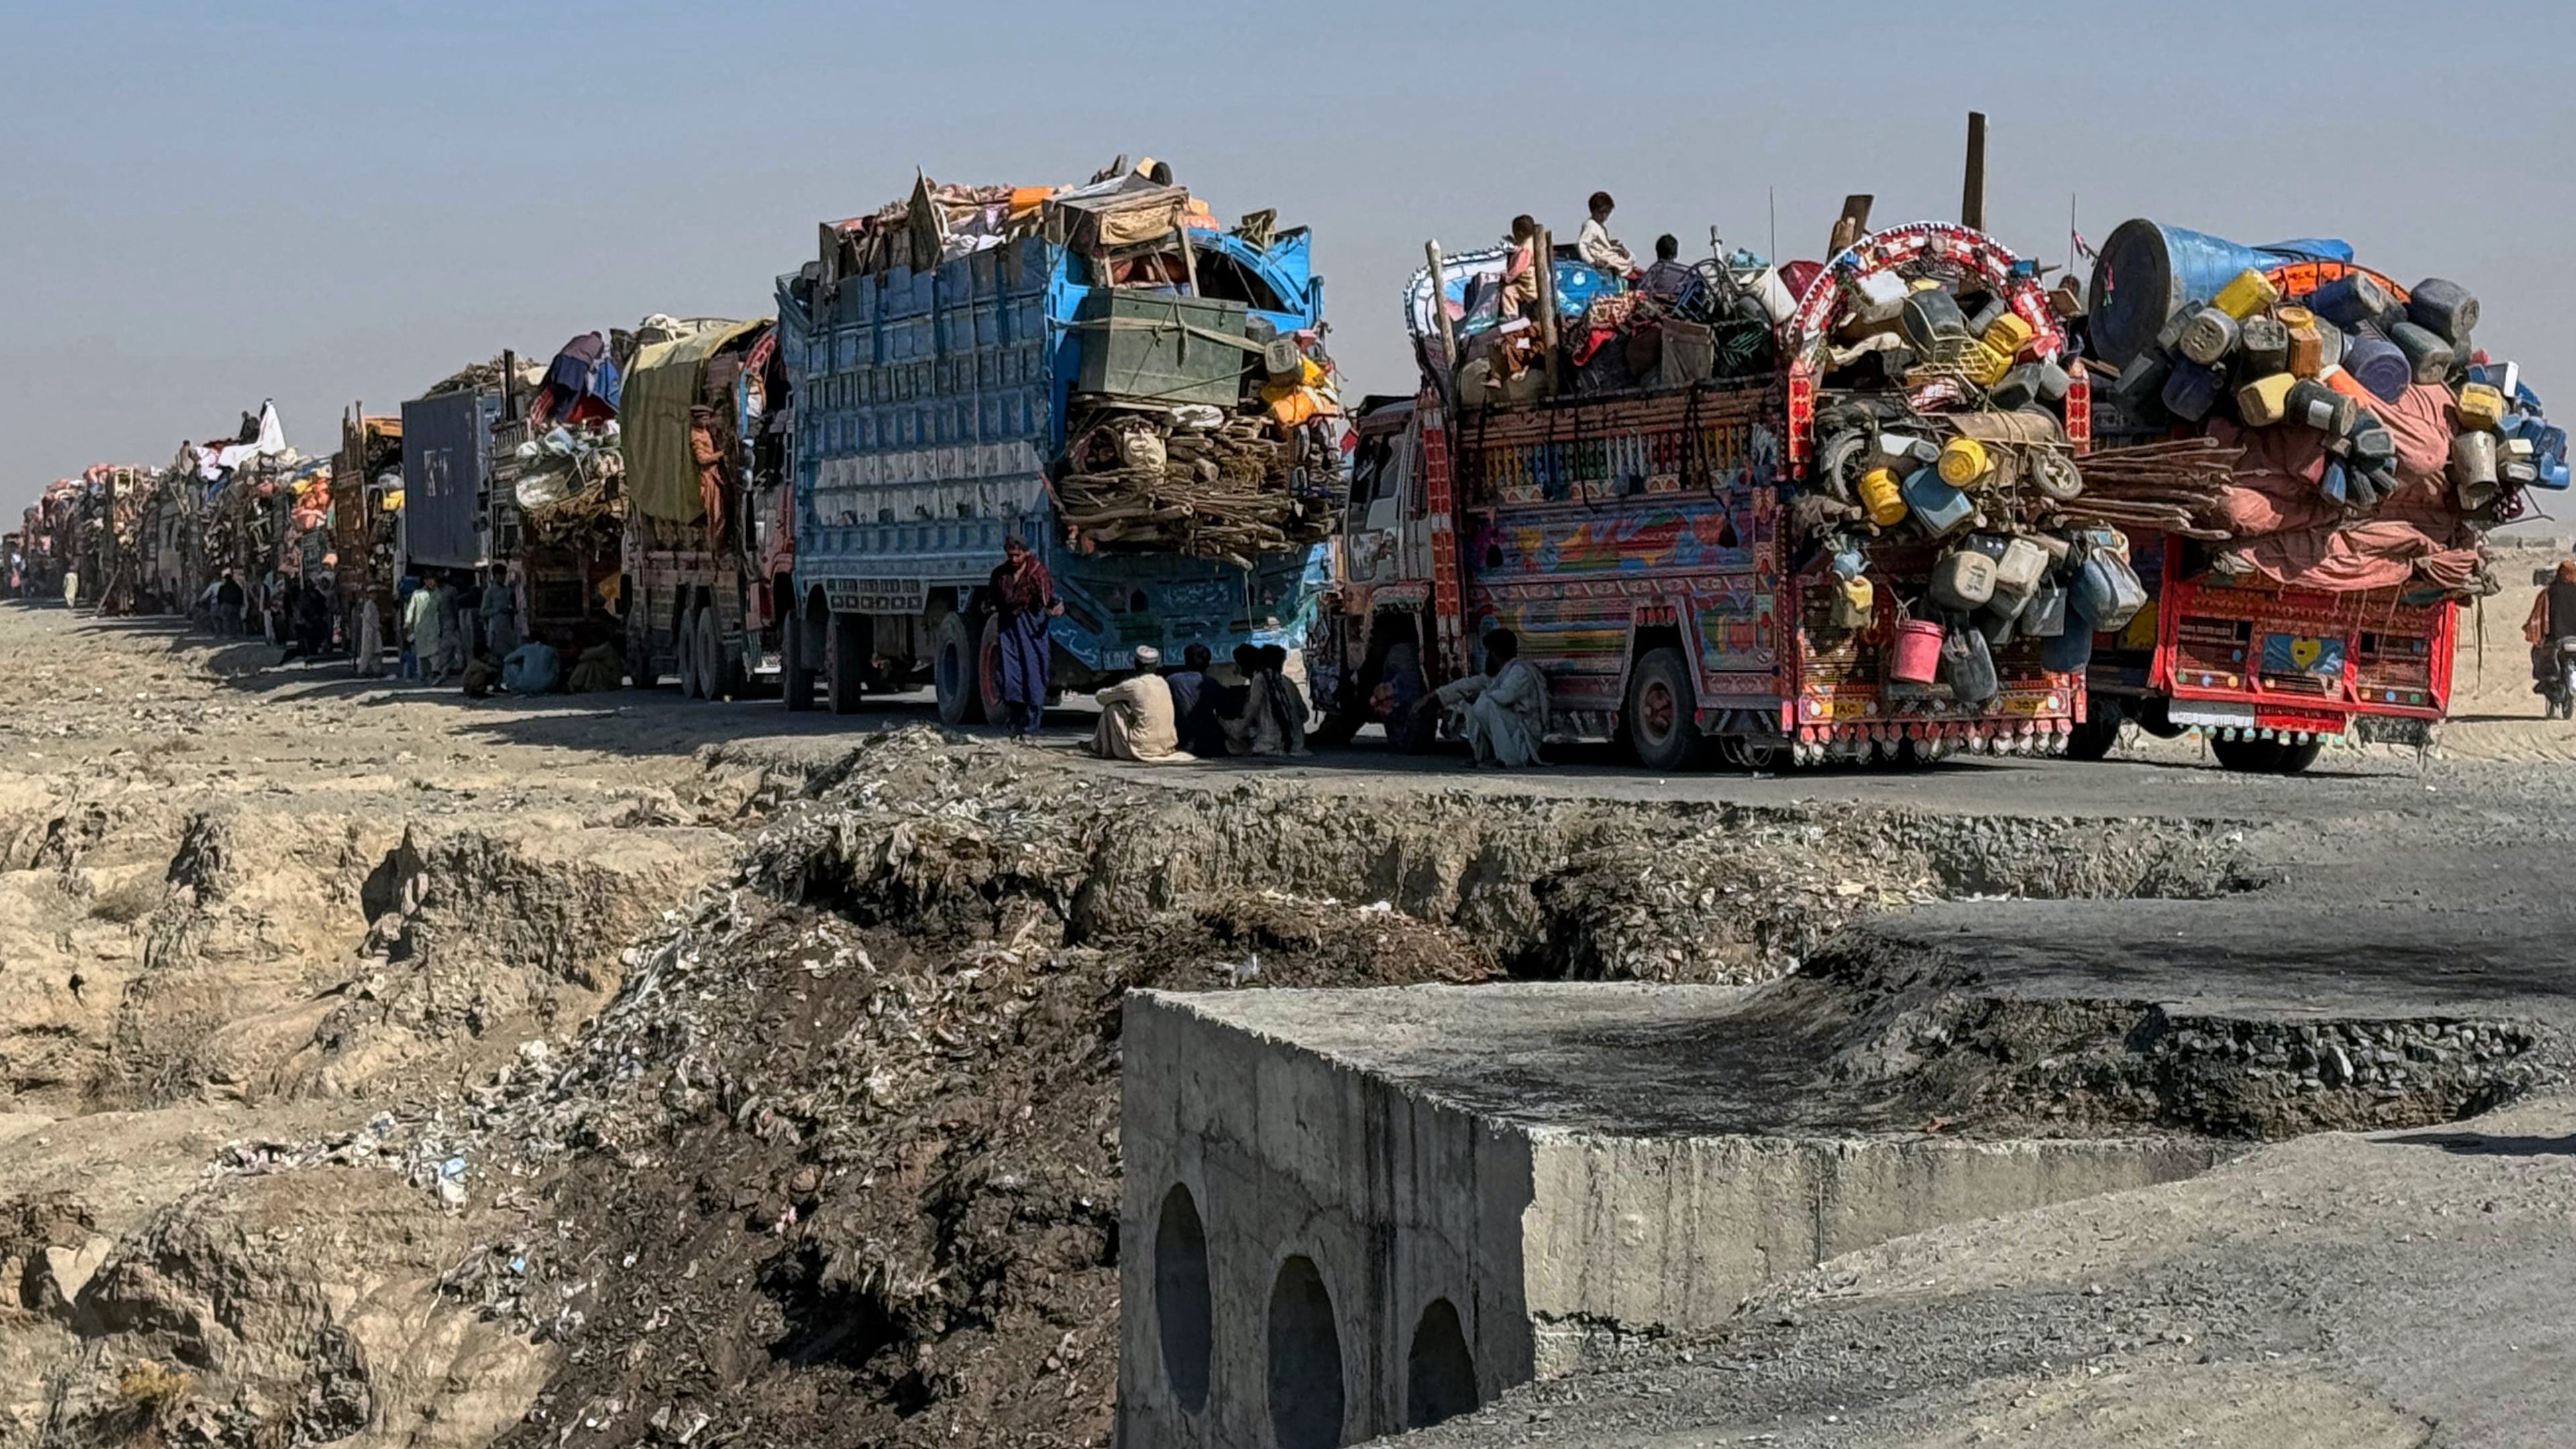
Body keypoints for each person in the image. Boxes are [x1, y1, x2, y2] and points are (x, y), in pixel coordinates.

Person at [1425, 629, 1548, 768]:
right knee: (1471, 704)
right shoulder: (1498, 674)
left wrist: (1480, 697)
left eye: (1489, 652)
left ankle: (1508, 760)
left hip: (1524, 739)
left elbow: (1505, 697)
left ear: (1495, 653)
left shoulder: (1520, 671)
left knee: (1485, 702)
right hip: (1514, 732)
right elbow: (1467, 685)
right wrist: (1434, 696)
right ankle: (1482, 757)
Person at [984, 535, 1060, 738]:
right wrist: (989, 606)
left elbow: (1049, 599)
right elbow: (991, 599)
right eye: (1010, 555)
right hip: (1009, 628)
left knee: (1033, 675)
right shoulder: (1000, 574)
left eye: (1017, 555)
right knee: (1009, 676)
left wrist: (1054, 607)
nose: (1014, 559)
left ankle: (1030, 727)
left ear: (1026, 553)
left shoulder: (1037, 572)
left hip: (1032, 628)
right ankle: (1014, 723)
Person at [1091, 646, 1193, 763]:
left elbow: (1101, 698)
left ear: (1136, 664)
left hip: (1142, 747)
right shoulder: (1163, 683)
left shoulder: (1134, 685)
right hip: (1166, 747)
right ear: (1156, 665)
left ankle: (1098, 746)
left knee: (1112, 707)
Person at [2526, 559, 2576, 716]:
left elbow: (2540, 617)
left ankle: (2547, 686)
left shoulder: (2549, 592)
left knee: (2539, 654)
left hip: (2556, 639)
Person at [1576, 191, 1638, 278]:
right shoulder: (1591, 225)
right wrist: (1592, 262)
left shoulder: (1601, 227)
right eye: (1602, 212)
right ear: (1593, 211)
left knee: (1627, 256)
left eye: (1607, 213)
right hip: (1601, 257)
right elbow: (1582, 245)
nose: (1604, 216)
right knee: (1626, 261)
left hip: (1605, 254)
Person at [403, 571, 447, 686]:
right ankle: (423, 675)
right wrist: (408, 622)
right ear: (425, 581)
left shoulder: (439, 595)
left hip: (434, 627)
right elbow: (411, 610)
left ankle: (435, 672)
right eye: (430, 580)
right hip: (420, 628)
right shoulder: (417, 595)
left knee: (435, 652)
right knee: (422, 655)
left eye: (434, 580)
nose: (433, 582)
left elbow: (442, 611)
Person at [1498, 214, 1544, 322]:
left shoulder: (1525, 249)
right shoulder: (1535, 242)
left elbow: (1518, 268)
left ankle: (1511, 317)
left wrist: (1507, 278)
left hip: (1530, 286)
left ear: (1520, 233)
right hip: (1538, 283)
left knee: (1508, 291)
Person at [1641, 234, 1701, 309]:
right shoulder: (1685, 274)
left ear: (1657, 251)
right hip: (1678, 307)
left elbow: (1642, 287)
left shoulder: (1658, 268)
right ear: (1676, 254)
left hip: (1659, 305)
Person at [480, 565, 523, 663]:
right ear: (496, 575)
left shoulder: (507, 590)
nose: (503, 577)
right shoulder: (489, 592)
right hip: (496, 628)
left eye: (505, 575)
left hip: (508, 627)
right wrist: (498, 610)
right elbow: (483, 612)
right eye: (501, 575)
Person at [214, 571, 246, 637]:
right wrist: (241, 603)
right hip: (236, 605)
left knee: (226, 620)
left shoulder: (223, 587)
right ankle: (234, 633)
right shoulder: (237, 586)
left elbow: (219, 596)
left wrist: (220, 604)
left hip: (226, 605)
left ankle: (228, 634)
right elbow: (241, 595)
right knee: (234, 620)